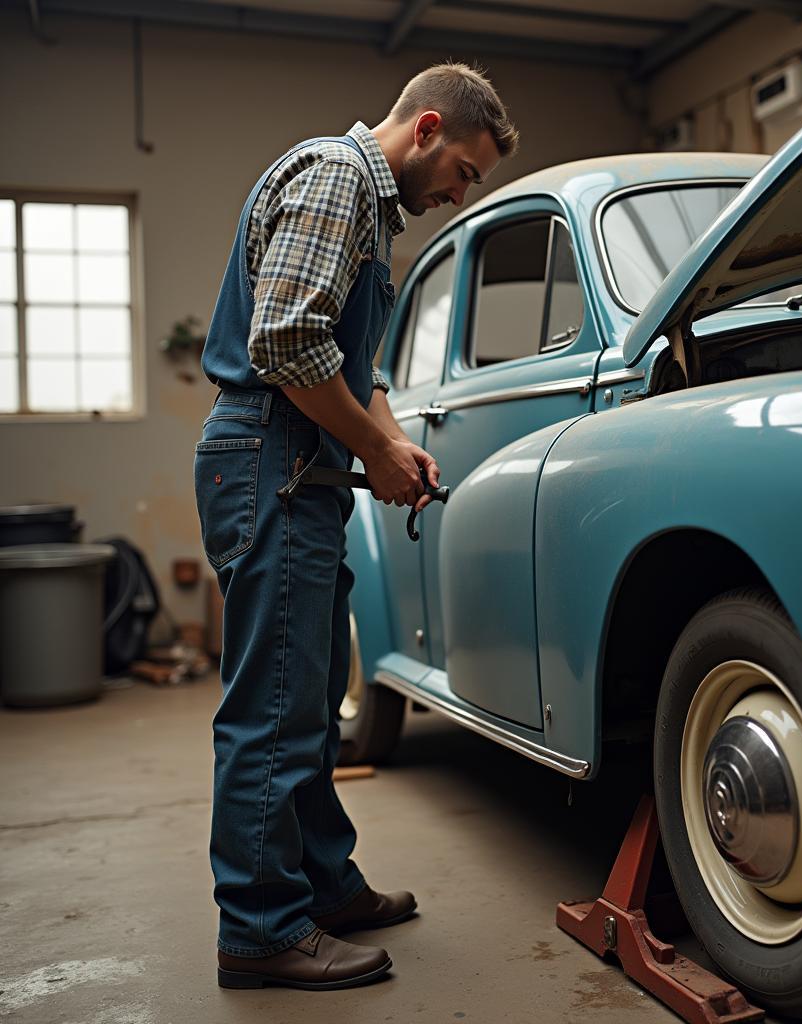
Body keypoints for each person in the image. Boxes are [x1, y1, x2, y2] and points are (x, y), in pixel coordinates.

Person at [193, 61, 518, 991]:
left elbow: (348, 360)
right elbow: (287, 345)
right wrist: (370, 453)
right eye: (463, 170)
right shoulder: (340, 178)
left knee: (309, 692)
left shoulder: (374, 217)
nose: (460, 193)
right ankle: (258, 930)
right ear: (425, 130)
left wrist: (393, 443)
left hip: (305, 460)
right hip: (273, 452)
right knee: (273, 706)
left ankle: (322, 886)